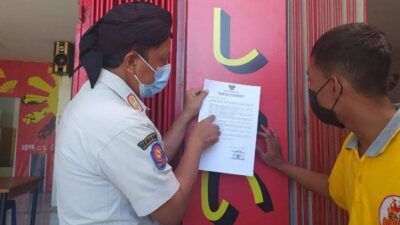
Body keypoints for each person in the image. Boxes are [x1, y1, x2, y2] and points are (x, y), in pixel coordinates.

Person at [54, 2, 220, 225]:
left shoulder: (93, 98)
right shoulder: (118, 121)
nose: (165, 68)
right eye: (162, 59)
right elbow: (170, 213)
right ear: (132, 62)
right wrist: (196, 144)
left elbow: (151, 160)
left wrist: (186, 115)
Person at [257, 23, 400, 225]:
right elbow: (337, 189)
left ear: (334, 87)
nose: (311, 90)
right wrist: (280, 164)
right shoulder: (354, 143)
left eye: (311, 80)